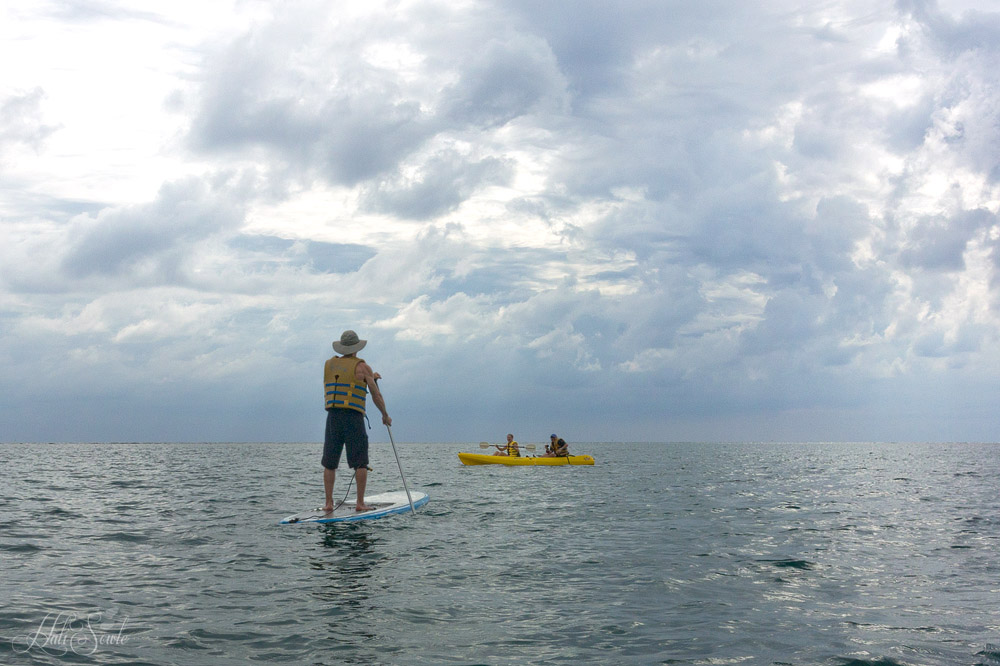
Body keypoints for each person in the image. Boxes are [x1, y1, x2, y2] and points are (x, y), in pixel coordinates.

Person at [322, 330, 391, 512]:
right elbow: (375, 394)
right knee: (360, 462)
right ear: (356, 348)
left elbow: (347, 379)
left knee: (329, 463)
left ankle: (328, 503)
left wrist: (371, 378)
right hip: (353, 417)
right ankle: (360, 504)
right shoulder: (363, 367)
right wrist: (385, 414)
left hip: (333, 417)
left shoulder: (329, 365)